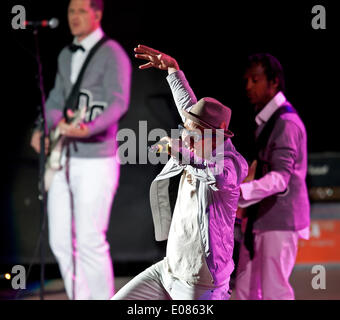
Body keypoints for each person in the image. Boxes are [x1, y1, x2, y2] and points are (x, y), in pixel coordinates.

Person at [111, 45, 248, 300]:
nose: (187, 137)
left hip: (199, 285)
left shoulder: (232, 163)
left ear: (215, 136)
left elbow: (217, 175)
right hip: (168, 271)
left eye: (194, 132)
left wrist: (181, 153)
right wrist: (174, 70)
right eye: (187, 128)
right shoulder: (197, 140)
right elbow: (188, 106)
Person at [30, 0, 131, 300]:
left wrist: (89, 127)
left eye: (80, 11)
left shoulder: (113, 53)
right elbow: (56, 100)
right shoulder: (64, 55)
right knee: (60, 240)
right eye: (70, 11)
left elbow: (118, 102)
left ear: (97, 14)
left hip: (96, 159)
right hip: (63, 157)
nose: (74, 17)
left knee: (89, 239)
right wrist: (43, 129)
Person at [234, 53, 310, 300]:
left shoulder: (287, 123)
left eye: (255, 80)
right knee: (245, 292)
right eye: (246, 80)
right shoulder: (267, 121)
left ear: (274, 81)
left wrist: (239, 193)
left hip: (279, 220)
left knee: (274, 293)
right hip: (260, 219)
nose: (248, 87)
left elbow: (280, 178)